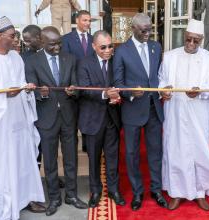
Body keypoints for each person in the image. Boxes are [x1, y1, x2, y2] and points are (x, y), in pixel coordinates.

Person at [0, 16, 45, 219]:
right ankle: (7, 203)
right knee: (5, 165)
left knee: (23, 160)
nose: (15, 40)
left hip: (19, 119)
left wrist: (27, 89)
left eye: (16, 36)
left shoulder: (16, 58)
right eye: (12, 36)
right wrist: (4, 95)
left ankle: (26, 198)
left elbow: (20, 83)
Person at [159, 19, 209, 211]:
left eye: (195, 41)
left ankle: (200, 192)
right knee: (176, 151)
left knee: (199, 151)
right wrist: (163, 90)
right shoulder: (169, 57)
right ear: (184, 36)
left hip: (199, 113)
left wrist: (200, 91)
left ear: (202, 39)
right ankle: (176, 192)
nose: (191, 44)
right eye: (188, 39)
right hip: (175, 112)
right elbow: (161, 80)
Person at [25, 26, 87, 216]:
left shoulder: (70, 58)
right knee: (50, 162)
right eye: (52, 44)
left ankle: (71, 195)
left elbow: (77, 85)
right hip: (46, 117)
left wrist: (73, 90)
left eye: (59, 43)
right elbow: (31, 87)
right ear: (42, 42)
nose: (57, 47)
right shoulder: (32, 61)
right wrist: (40, 93)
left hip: (68, 115)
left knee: (71, 159)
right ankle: (54, 199)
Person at [113, 13, 167, 211]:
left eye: (150, 29)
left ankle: (156, 190)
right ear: (133, 29)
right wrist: (130, 92)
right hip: (133, 109)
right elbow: (118, 83)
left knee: (156, 152)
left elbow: (159, 75)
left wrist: (164, 89)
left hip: (154, 109)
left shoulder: (156, 47)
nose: (148, 33)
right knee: (132, 153)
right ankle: (137, 192)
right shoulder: (121, 51)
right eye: (144, 30)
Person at [77, 30, 125, 208]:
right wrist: (105, 93)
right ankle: (95, 191)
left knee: (113, 158)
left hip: (112, 118)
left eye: (110, 46)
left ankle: (114, 190)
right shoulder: (84, 63)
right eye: (103, 47)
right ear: (94, 46)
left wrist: (118, 95)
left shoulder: (116, 62)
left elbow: (121, 83)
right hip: (92, 120)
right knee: (94, 159)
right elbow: (83, 89)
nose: (107, 50)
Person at [62, 10, 94, 153]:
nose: (87, 23)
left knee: (89, 116)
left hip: (90, 85)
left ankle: (87, 145)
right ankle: (73, 149)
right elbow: (66, 62)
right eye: (85, 20)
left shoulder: (94, 39)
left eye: (89, 21)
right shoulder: (67, 39)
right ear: (77, 21)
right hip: (74, 85)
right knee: (73, 120)